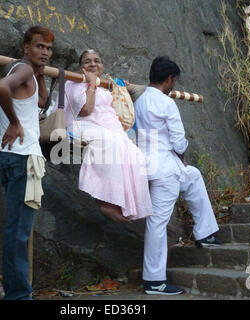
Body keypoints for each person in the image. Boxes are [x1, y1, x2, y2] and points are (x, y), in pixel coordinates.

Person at [134, 56, 222, 295]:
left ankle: (205, 233)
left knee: (193, 175)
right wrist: (181, 151)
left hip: (147, 166)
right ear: (170, 79)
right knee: (157, 222)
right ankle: (154, 281)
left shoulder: (139, 100)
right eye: (175, 81)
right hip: (165, 169)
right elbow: (179, 141)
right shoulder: (166, 103)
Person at [0, 25, 54, 300]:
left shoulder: (27, 72)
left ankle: (16, 292)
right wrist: (15, 123)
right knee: (19, 232)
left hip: (12, 157)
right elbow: (0, 88)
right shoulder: (23, 70)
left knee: (16, 229)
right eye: (39, 46)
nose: (45, 52)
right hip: (22, 158)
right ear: (26, 48)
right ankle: (18, 295)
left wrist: (40, 75)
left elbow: (41, 101)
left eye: (49, 48)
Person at [58, 49, 153, 223]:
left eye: (97, 60)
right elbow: (86, 110)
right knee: (109, 143)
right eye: (87, 61)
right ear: (81, 67)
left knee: (134, 153)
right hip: (82, 124)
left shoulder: (105, 84)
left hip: (109, 128)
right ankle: (105, 202)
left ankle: (122, 204)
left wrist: (118, 85)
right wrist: (91, 84)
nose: (93, 64)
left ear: (102, 66)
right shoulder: (75, 82)